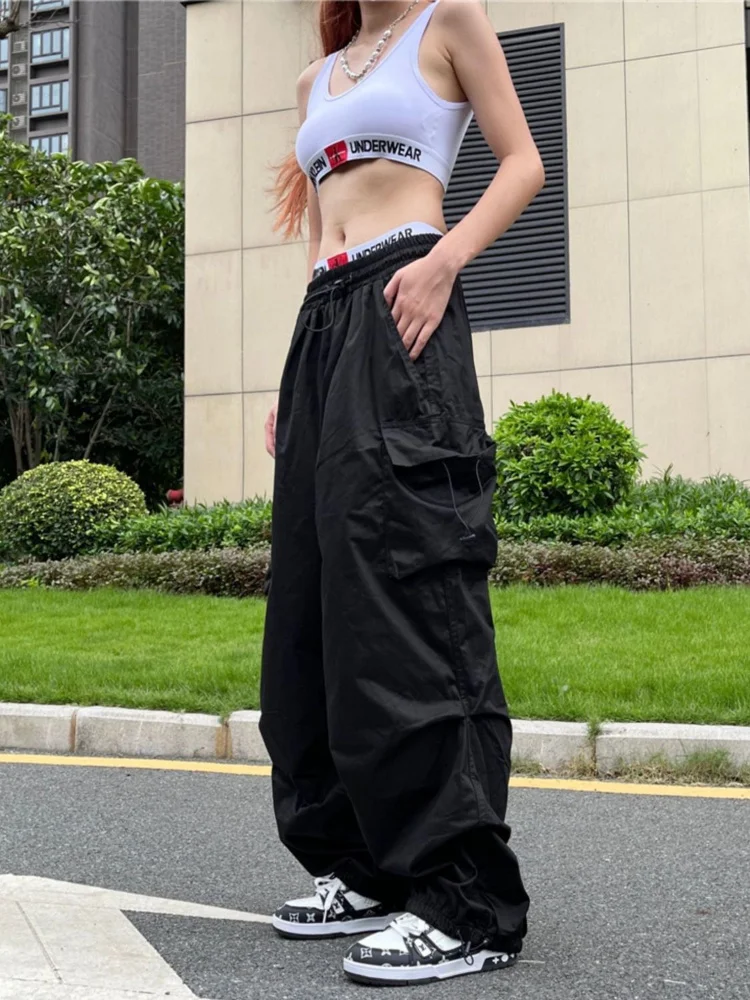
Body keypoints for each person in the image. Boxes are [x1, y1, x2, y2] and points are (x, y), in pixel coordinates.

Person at [259, 0, 544, 986]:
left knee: (410, 599)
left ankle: (467, 902)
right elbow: (319, 236)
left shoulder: (448, 22)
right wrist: (294, 375)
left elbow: (523, 163)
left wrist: (444, 261)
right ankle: (366, 867)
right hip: (325, 325)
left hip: (404, 301)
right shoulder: (319, 76)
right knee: (312, 614)